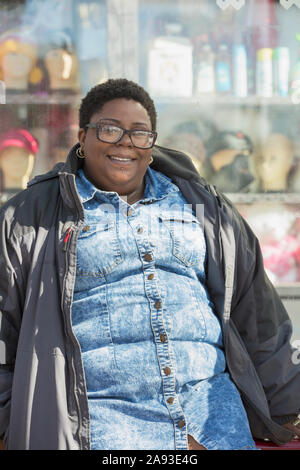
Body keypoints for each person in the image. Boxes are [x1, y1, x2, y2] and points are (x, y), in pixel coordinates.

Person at [0, 78, 299, 451]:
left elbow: (257, 313)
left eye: (140, 133)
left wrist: (289, 406)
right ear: (82, 137)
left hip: (213, 420)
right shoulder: (31, 217)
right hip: (106, 424)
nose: (126, 142)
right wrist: (10, 420)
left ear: (152, 144)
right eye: (110, 129)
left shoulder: (204, 206)